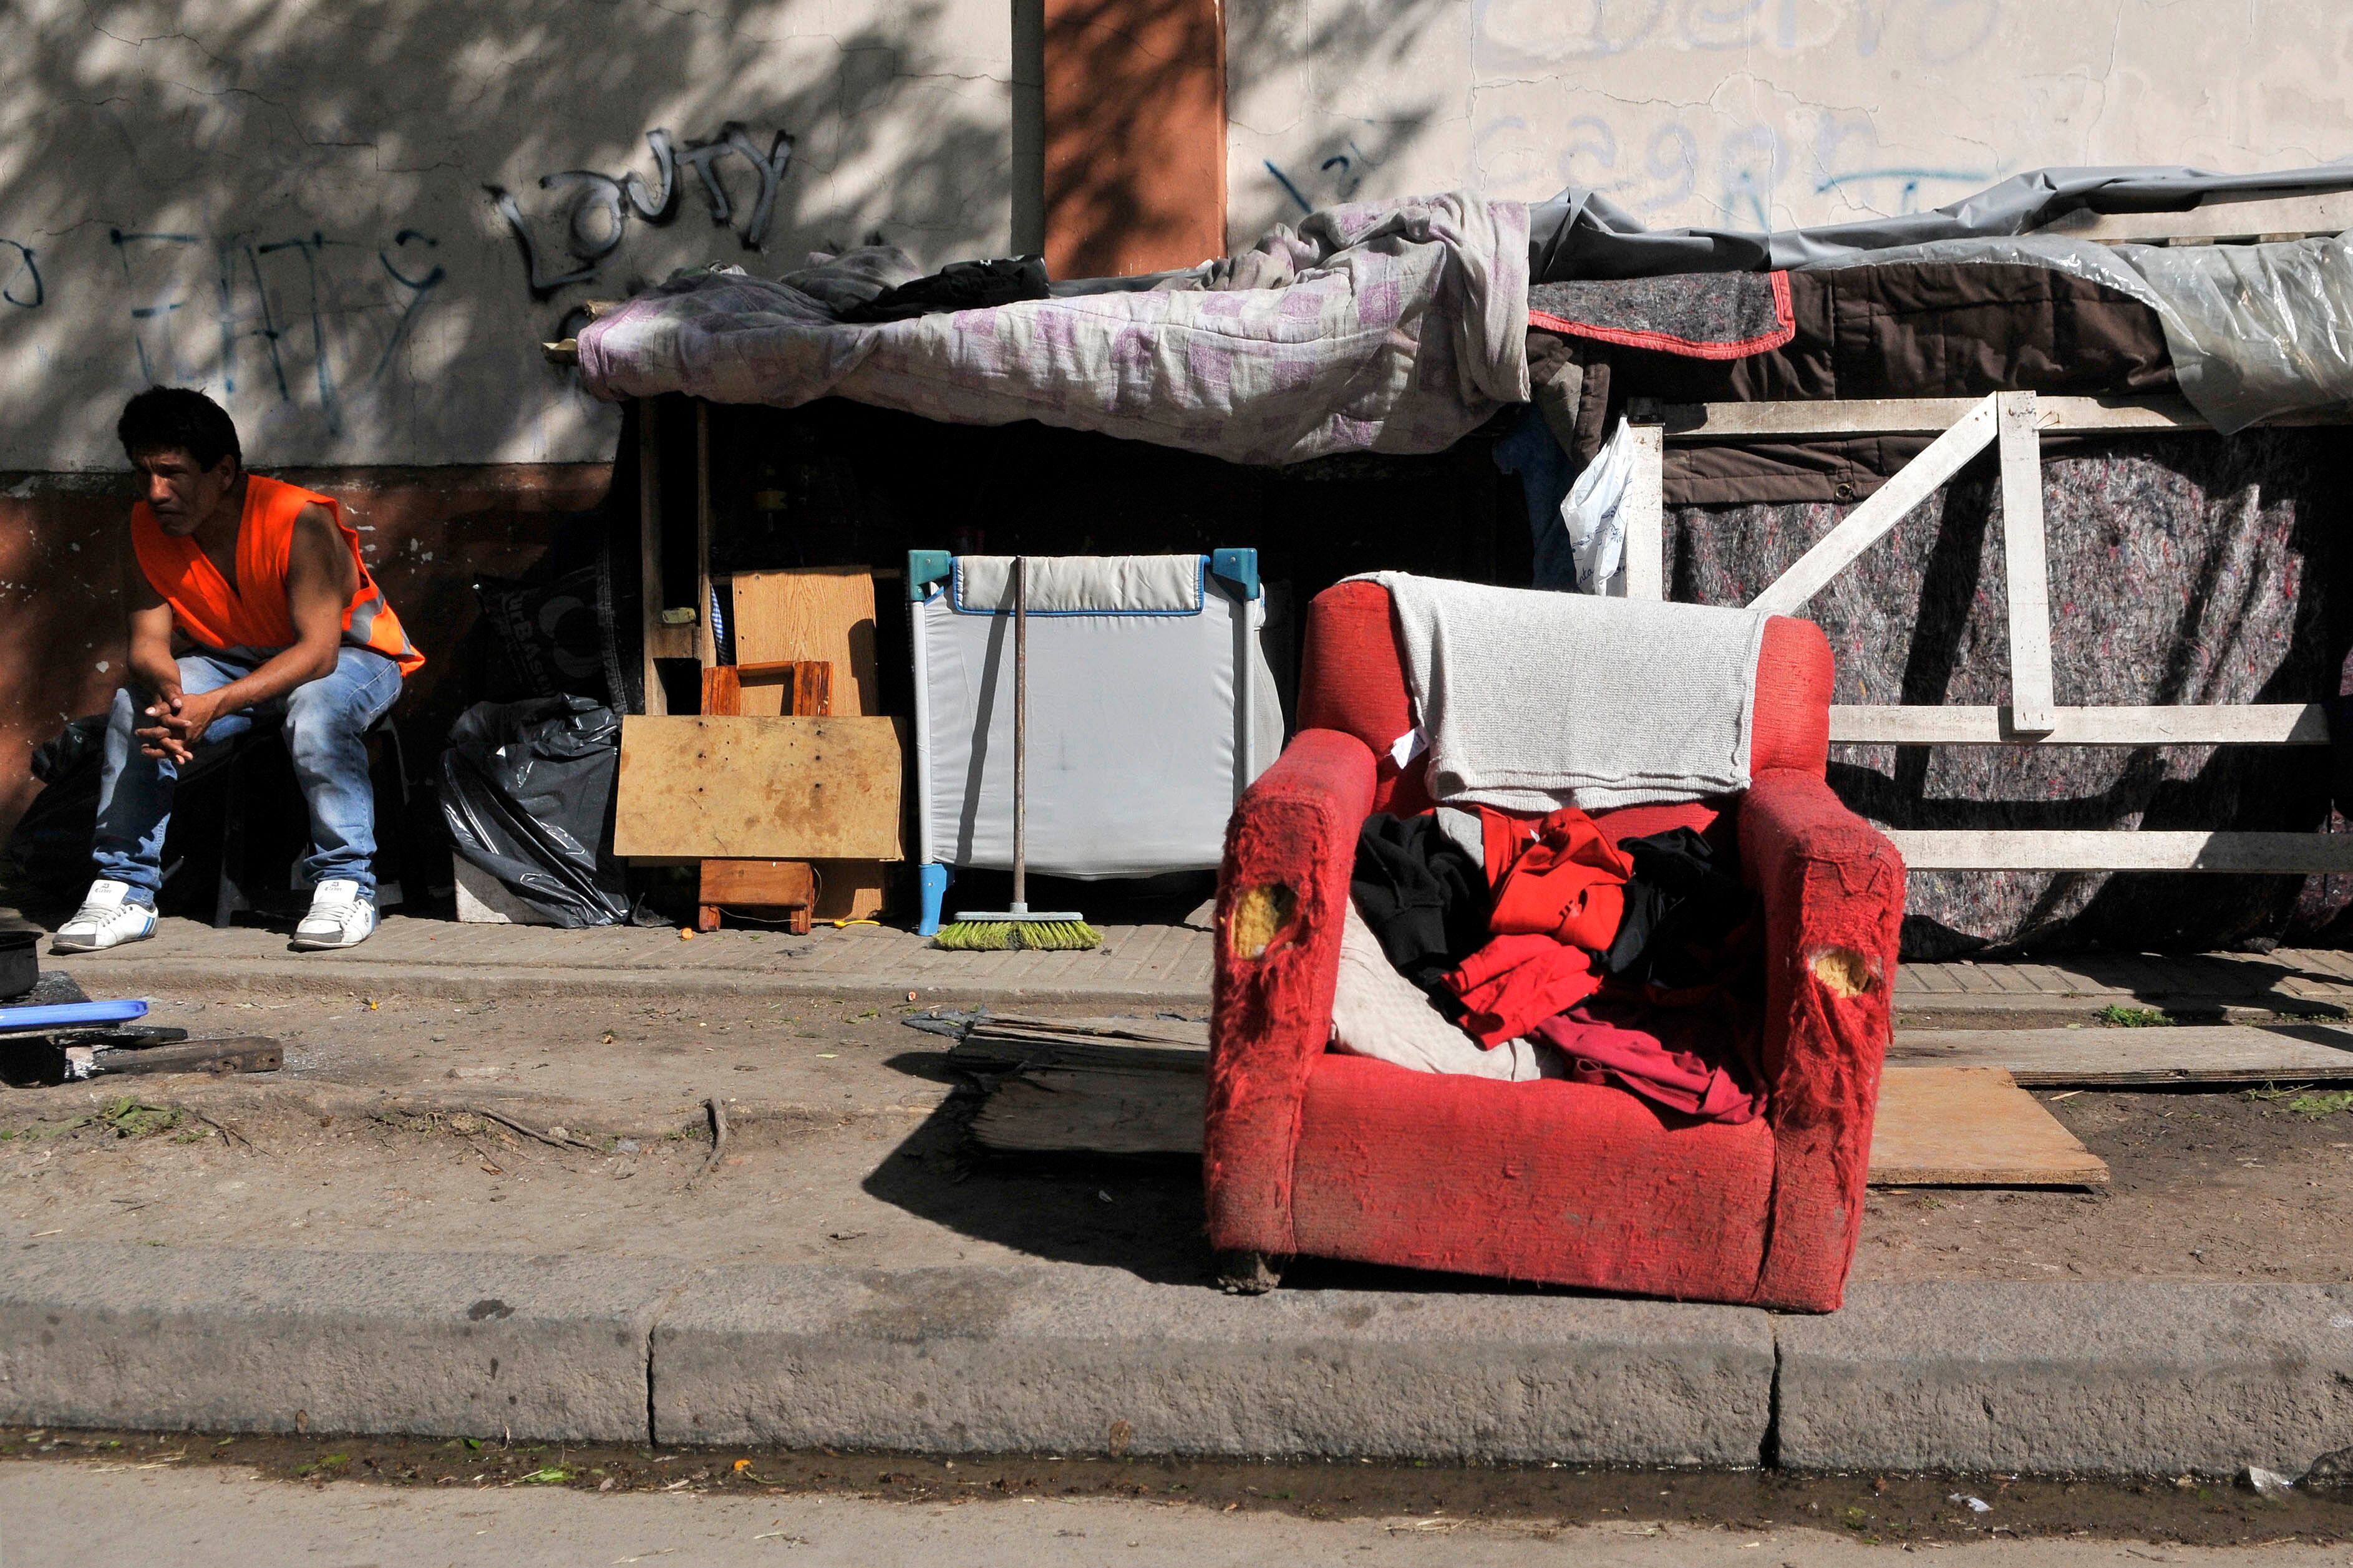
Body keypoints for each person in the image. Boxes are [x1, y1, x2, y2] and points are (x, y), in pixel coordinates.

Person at [52, 387, 423, 953]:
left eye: (172, 473)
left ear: (223, 472)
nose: (155, 492)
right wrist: (174, 697)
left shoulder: (298, 521)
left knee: (316, 706)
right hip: (236, 663)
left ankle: (346, 883)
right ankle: (125, 891)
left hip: (355, 658)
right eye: (143, 473)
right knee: (136, 706)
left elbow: (318, 653)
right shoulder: (144, 528)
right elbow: (147, 644)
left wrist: (215, 706)